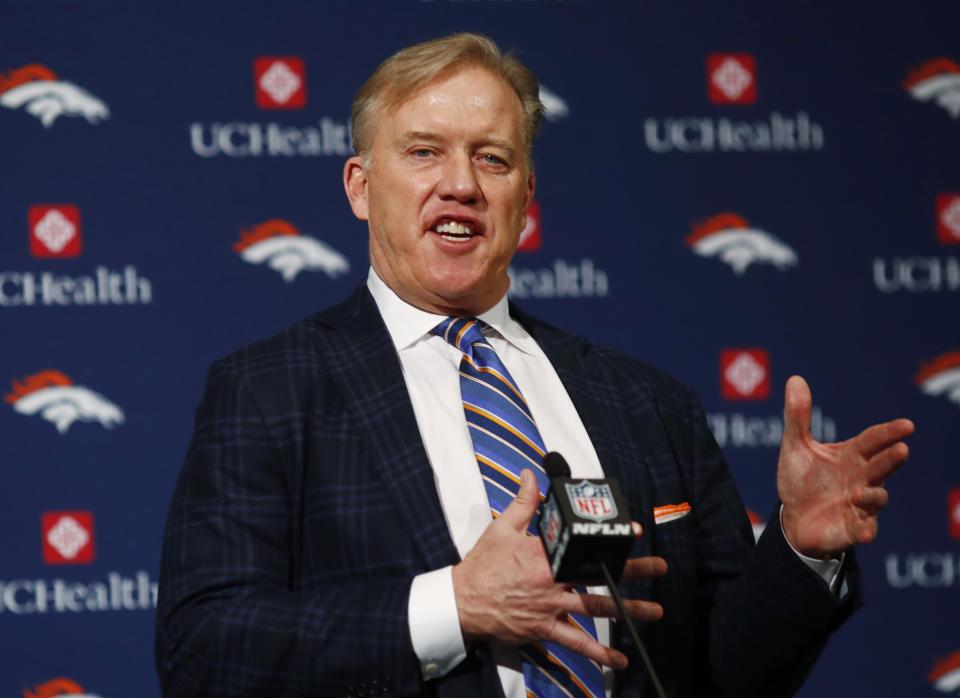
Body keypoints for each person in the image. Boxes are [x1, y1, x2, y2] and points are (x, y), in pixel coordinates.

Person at [155, 33, 914, 697]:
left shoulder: (649, 405)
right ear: (360, 187)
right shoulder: (269, 390)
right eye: (424, 152)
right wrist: (453, 606)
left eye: (492, 158)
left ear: (526, 198)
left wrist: (799, 548)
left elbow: (726, 671)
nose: (461, 184)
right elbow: (204, 650)